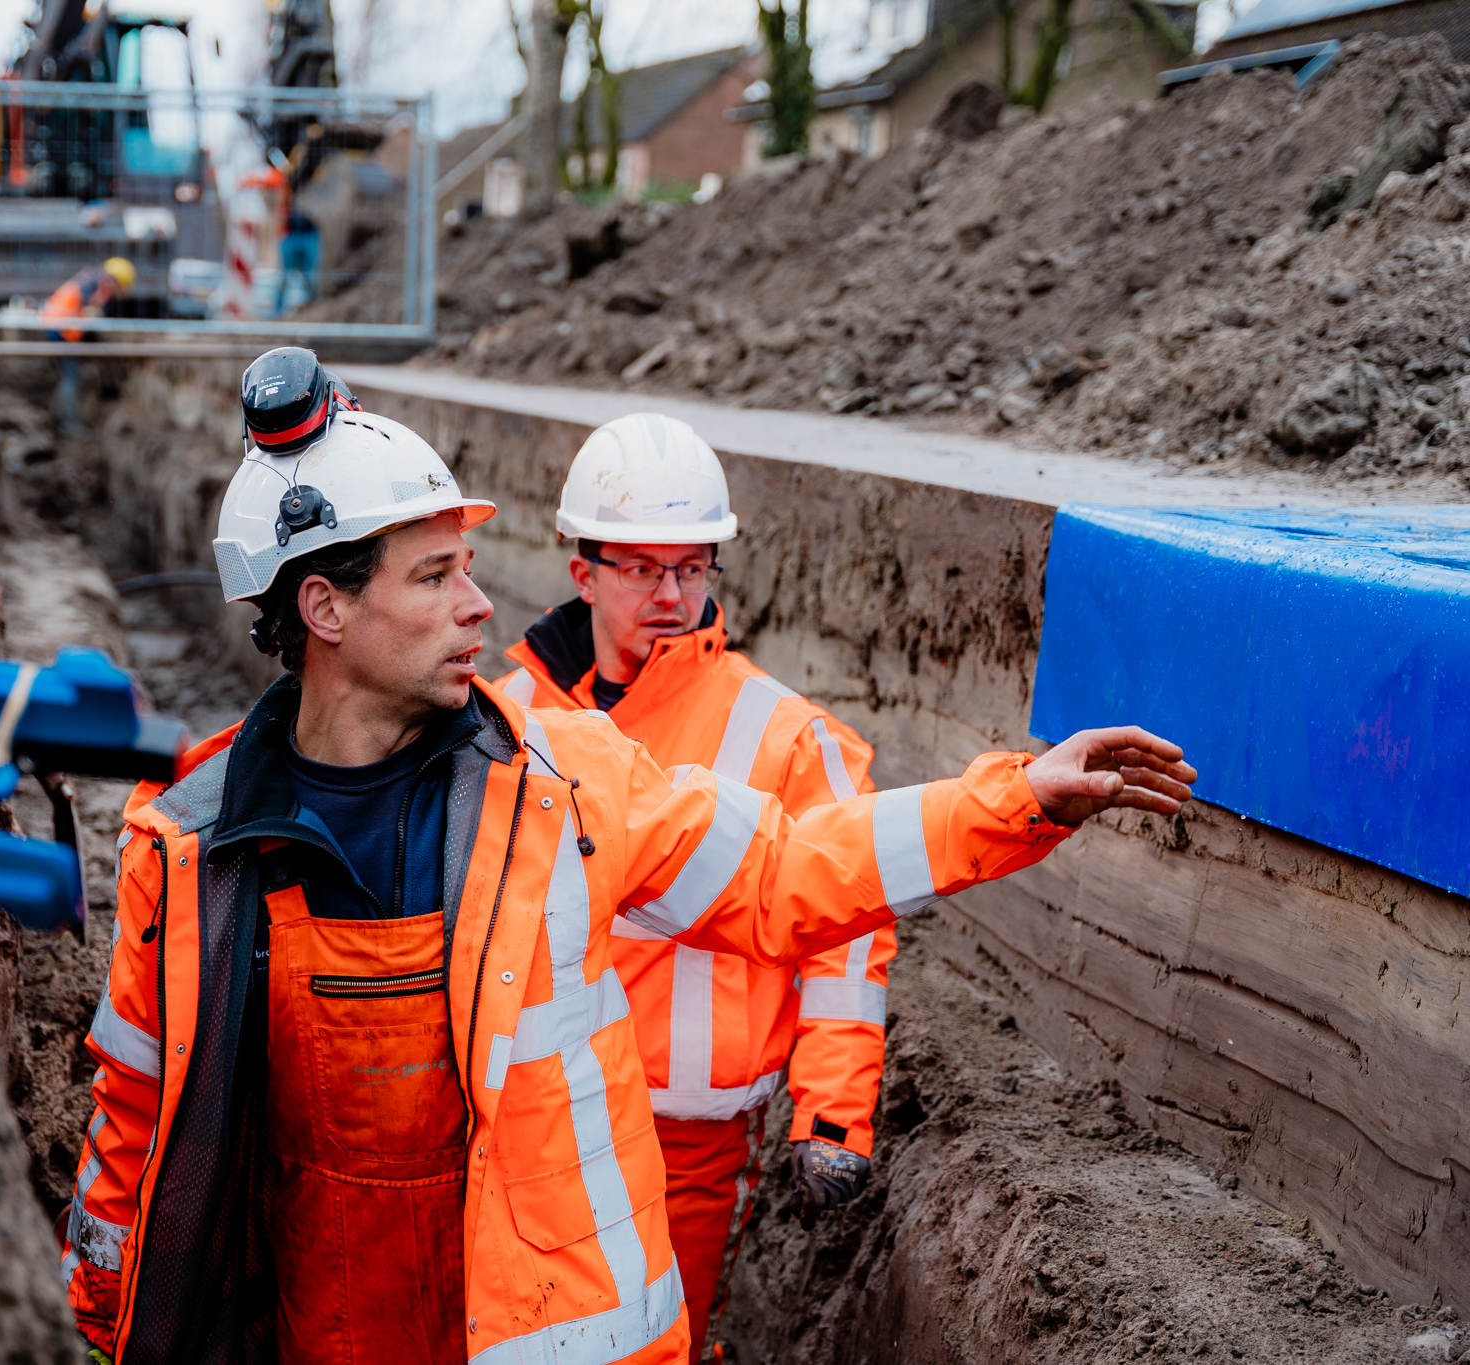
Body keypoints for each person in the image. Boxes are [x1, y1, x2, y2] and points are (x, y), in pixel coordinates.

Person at [63, 351, 1196, 1364]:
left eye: (467, 567)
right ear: (322, 606)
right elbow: (133, 1128)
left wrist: (1014, 798)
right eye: (432, 576)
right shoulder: (189, 848)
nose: (476, 603)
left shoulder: (554, 781)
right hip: (317, 1318)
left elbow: (787, 871)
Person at [494, 413, 888, 1360]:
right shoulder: (503, 718)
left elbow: (849, 930)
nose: (670, 593)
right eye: (640, 567)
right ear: (582, 570)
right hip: (527, 1115)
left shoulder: (786, 734)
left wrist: (834, 1107)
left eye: (692, 566)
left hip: (692, 1141)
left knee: (654, 1341)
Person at [42, 255, 135, 433]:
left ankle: (57, 420)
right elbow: (88, 314)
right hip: (60, 330)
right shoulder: (96, 284)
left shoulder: (91, 279)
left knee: (67, 376)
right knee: (71, 377)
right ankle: (67, 423)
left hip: (57, 328)